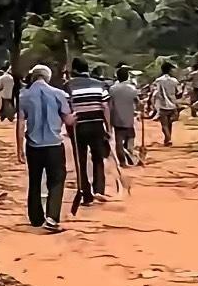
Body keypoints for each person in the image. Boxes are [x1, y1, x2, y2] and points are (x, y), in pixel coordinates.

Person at [17, 63, 73, 231]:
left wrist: (19, 149)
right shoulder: (58, 94)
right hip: (54, 145)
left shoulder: (23, 95)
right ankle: (52, 217)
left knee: (34, 180)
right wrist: (74, 117)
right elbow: (68, 120)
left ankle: (35, 218)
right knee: (56, 180)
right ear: (48, 77)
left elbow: (20, 124)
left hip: (33, 146)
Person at [67, 58, 110, 205]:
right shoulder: (100, 85)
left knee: (81, 161)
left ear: (74, 70)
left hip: (78, 128)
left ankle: (86, 194)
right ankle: (99, 190)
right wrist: (108, 127)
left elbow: (66, 109)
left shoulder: (68, 86)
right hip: (97, 126)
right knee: (98, 159)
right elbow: (105, 107)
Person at [110, 65, 139, 168]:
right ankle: (130, 156)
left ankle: (122, 161)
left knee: (119, 141)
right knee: (130, 137)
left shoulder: (112, 89)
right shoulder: (132, 89)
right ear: (127, 77)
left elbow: (110, 104)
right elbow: (137, 101)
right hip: (129, 117)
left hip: (116, 118)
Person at [152, 61, 180, 146]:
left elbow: (155, 92)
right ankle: (168, 138)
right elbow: (178, 92)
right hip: (172, 105)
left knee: (164, 125)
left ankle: (168, 138)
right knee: (170, 123)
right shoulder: (174, 81)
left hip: (163, 105)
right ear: (170, 70)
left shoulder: (158, 81)